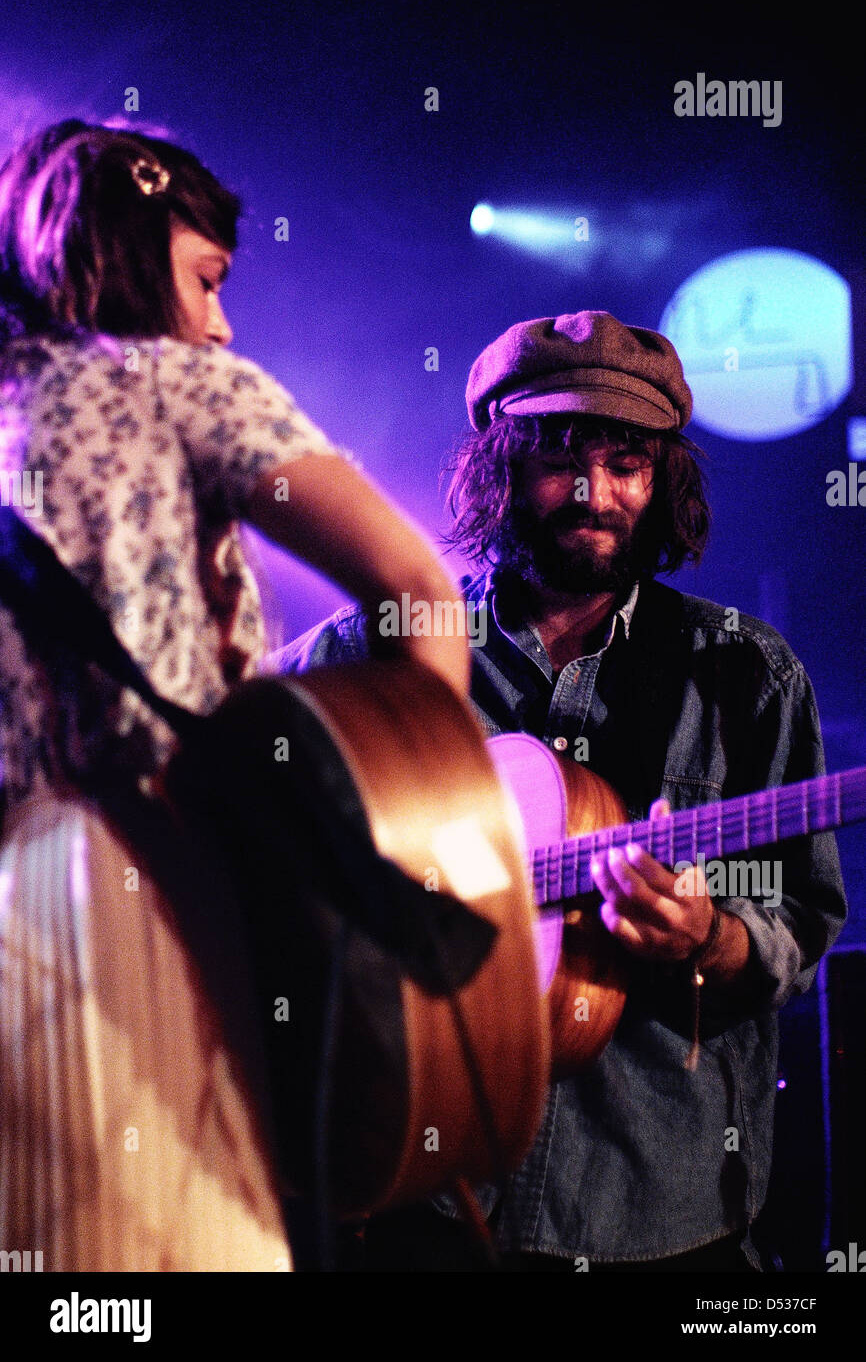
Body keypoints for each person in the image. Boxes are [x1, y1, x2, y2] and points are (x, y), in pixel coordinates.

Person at [274, 310, 847, 1271]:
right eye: (559, 460)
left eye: (629, 465)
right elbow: (239, 765)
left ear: (665, 481)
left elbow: (804, 920)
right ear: (499, 467)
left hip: (657, 1211)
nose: (595, 493)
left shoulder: (749, 675)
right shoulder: (385, 644)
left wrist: (711, 936)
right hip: (426, 1189)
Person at [0, 119, 469, 1272]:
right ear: (126, 238)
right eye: (206, 276)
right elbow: (415, 587)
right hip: (153, 878)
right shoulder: (175, 380)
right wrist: (424, 824)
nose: (220, 319)